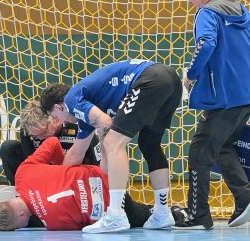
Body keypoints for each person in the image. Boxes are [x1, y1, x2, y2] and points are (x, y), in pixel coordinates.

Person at [40, 59, 182, 233]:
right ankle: (162, 212)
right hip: (171, 80)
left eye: (54, 117)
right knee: (149, 144)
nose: (59, 122)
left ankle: (115, 215)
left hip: (149, 79)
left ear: (59, 107)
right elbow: (77, 152)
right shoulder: (85, 110)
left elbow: (106, 124)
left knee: (113, 142)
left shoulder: (71, 100)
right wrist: (58, 184)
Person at [173, 0, 250, 230]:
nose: (189, 0)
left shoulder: (207, 13)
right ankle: (245, 197)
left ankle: (198, 214)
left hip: (226, 97)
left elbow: (206, 43)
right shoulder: (242, 9)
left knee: (200, 150)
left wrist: (190, 75)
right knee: (221, 146)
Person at [0, 137, 186, 231]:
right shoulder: (22, 175)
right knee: (108, 146)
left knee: (144, 217)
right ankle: (109, 135)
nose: (21, 227)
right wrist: (63, 169)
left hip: (113, 206)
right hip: (107, 174)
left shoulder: (53, 224)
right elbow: (52, 142)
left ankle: (174, 212)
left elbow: (84, 225)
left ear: (19, 214)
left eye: (17, 226)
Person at [0, 100, 101, 186]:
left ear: (54, 119)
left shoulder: (77, 125)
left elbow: (98, 163)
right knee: (8, 147)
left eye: (43, 133)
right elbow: (30, 166)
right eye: (35, 137)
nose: (39, 138)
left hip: (76, 178)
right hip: (44, 176)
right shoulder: (29, 132)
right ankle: (21, 193)